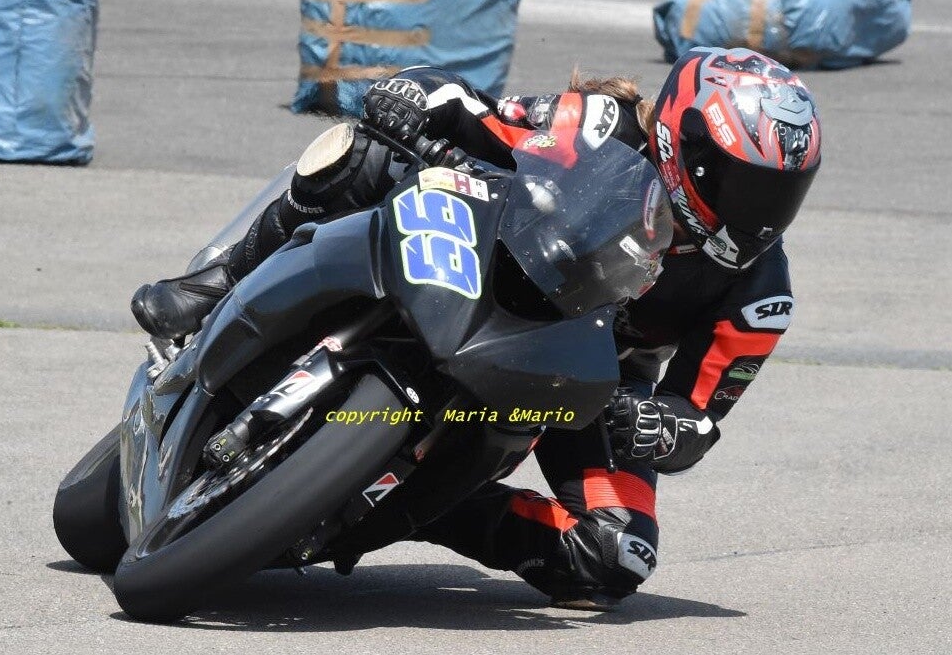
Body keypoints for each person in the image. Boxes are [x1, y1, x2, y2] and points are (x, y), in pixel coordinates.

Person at [131, 47, 822, 610]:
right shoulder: (597, 123)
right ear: (681, 138)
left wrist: (661, 426)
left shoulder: (760, 292)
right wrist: (414, 94)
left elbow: (698, 415)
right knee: (361, 153)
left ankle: (425, 505)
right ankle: (216, 283)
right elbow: (477, 112)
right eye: (742, 183)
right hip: (483, 256)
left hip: (586, 379)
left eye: (780, 193)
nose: (759, 212)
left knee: (616, 554)